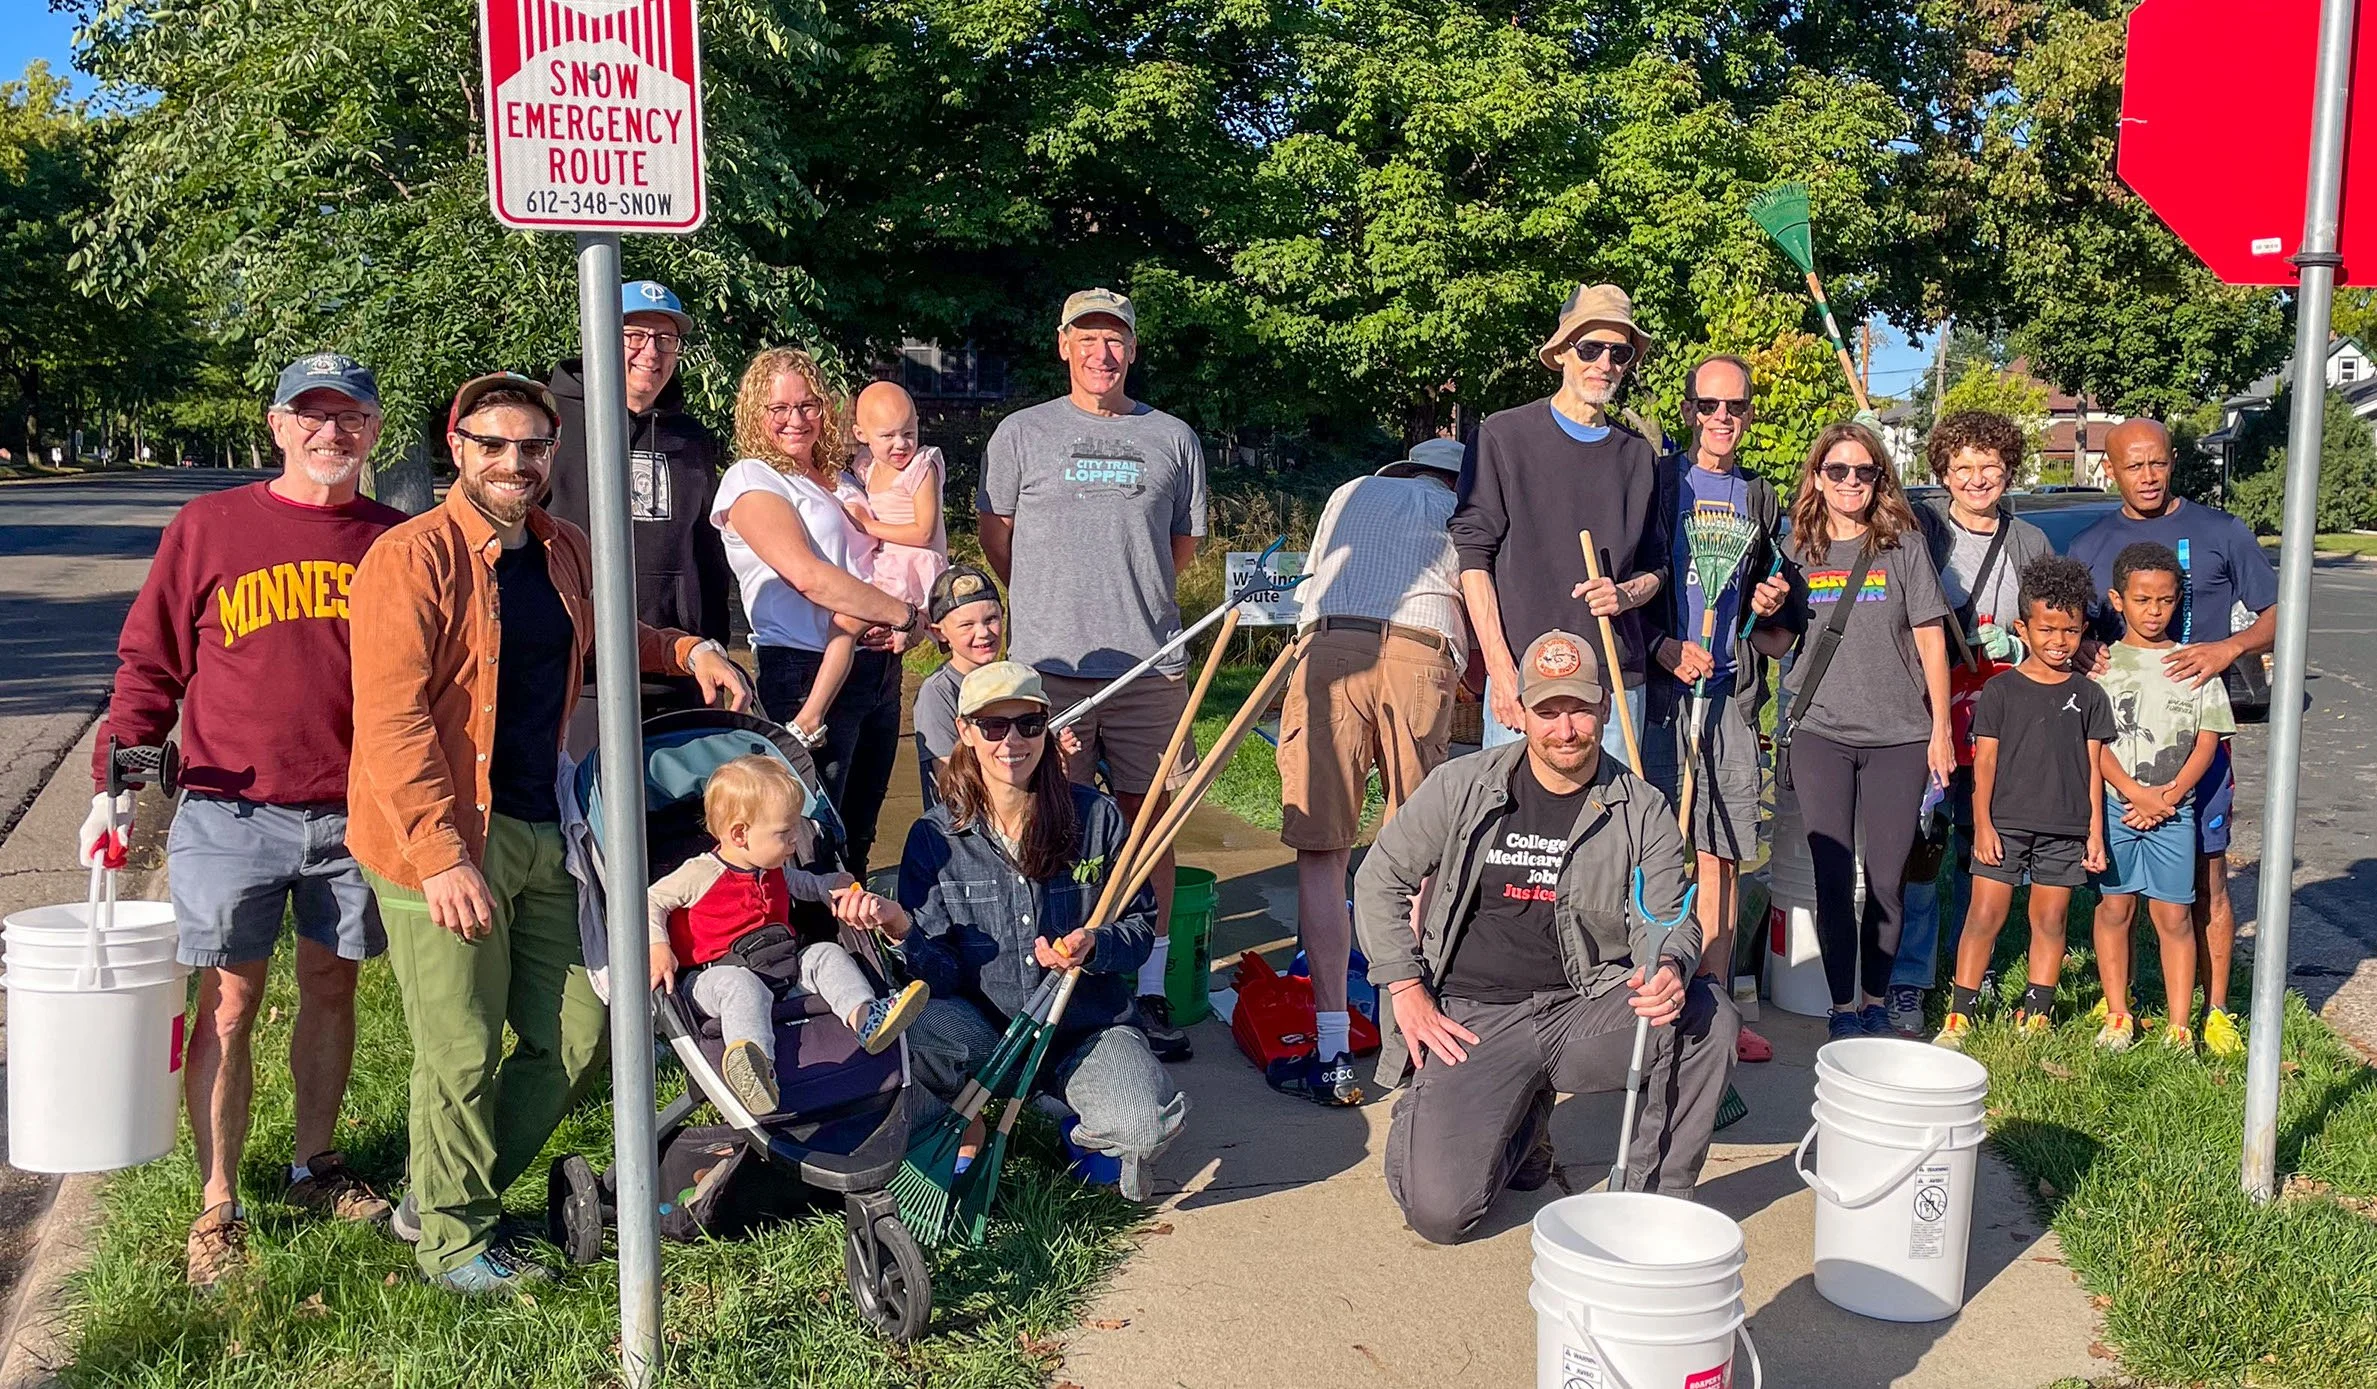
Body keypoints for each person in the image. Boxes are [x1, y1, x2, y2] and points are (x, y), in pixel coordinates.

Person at [346, 372, 752, 1294]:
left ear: (551, 455)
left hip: (539, 823)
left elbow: (613, 630)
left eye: (531, 447)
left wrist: (688, 650)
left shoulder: (562, 547)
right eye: (493, 445)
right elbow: (394, 721)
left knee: (581, 1027)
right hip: (437, 839)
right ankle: (451, 1243)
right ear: (459, 448)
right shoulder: (409, 559)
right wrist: (443, 855)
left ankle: (441, 1191)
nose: (513, 463)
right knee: (459, 1047)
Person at [85, 352, 404, 1288]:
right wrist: (121, 775)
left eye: (350, 418)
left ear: (375, 432)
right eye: (312, 416)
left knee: (333, 986)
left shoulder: (393, 538)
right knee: (228, 1001)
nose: (330, 434)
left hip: (355, 811)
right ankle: (218, 1199)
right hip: (231, 808)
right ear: (278, 425)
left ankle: (315, 1164)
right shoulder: (210, 525)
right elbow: (150, 662)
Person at [1356, 631, 1732, 1241]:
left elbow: (1667, 917)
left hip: (1585, 1008)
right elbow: (1379, 879)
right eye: (1548, 711)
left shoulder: (1642, 808)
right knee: (1441, 1215)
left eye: (1579, 708)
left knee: (1708, 1018)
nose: (1565, 729)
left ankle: (1650, 1207)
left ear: (1605, 707)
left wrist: (1667, 967)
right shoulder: (1462, 786)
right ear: (1520, 711)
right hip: (1475, 1018)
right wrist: (1404, 984)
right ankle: (1520, 1125)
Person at [976, 287, 1209, 1061]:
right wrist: (1052, 602)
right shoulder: (1022, 433)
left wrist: (1127, 596)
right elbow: (996, 536)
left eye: (1115, 340)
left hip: (1148, 666)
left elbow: (1180, 546)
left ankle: (1143, 987)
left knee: (1147, 828)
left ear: (1133, 350)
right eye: (1087, 338)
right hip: (1052, 671)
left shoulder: (1170, 436)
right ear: (1063, 345)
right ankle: (1047, 976)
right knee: (1055, 822)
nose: (1102, 354)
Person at [895, 662, 1189, 1201]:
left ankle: (1072, 1120)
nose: (1012, 741)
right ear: (965, 732)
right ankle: (967, 1124)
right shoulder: (935, 837)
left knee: (1141, 1126)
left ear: (1046, 728)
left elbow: (1141, 928)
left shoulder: (1096, 817)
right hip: (987, 1031)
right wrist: (903, 936)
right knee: (912, 1028)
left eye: (1029, 725)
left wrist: (1096, 944)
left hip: (1085, 1029)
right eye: (993, 726)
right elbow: (936, 973)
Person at [1274, 435, 1471, 1107]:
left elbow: (1313, 584)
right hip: (1421, 648)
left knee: (1321, 849)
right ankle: (1405, 1034)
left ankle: (1331, 1048)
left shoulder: (1350, 492)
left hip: (1328, 645)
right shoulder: (1462, 506)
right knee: (1414, 852)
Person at [2068, 418, 2275, 1058]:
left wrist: (2227, 649)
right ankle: (2120, 1011)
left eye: (2158, 463)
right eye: (2134, 466)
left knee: (2208, 878)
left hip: (2199, 741)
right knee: (2119, 897)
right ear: (2112, 469)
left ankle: (2213, 1014)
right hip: (2121, 746)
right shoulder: (2090, 544)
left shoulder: (2221, 531)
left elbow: (2280, 611)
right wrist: (2084, 654)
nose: (2149, 476)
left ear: (2172, 461)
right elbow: (2059, 630)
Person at [1640, 355, 1800, 1067]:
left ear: (1749, 414)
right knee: (1650, 850)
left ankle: (1714, 1007)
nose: (1721, 418)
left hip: (1732, 697)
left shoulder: (1759, 498)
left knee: (1722, 856)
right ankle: (1649, 992)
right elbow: (1629, 583)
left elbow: (1779, 612)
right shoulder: (1658, 485)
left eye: (1734, 405)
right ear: (1687, 410)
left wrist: (1773, 601)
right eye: (1708, 405)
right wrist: (1666, 645)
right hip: (1663, 693)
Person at [713, 348, 923, 879]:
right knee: (808, 835)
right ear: (753, 413)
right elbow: (808, 575)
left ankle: (858, 948)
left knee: (861, 831)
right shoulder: (752, 480)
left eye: (808, 405)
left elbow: (887, 556)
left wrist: (907, 627)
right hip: (804, 672)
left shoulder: (843, 479)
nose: (795, 419)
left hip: (877, 670)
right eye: (778, 407)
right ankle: (811, 952)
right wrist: (903, 614)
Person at [1778, 422, 1957, 1040]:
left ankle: (1877, 1000)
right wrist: (1763, 608)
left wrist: (1940, 731)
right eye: (1838, 471)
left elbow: (1932, 639)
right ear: (1818, 478)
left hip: (1900, 737)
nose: (1850, 482)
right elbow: (1778, 643)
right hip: (1820, 732)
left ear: (1880, 478)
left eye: (1864, 471)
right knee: (1832, 878)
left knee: (1886, 881)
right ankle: (1841, 1008)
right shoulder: (1797, 548)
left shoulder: (1902, 546)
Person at [1452, 282, 1665, 757]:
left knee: (1611, 825)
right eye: (1591, 348)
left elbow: (1658, 566)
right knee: (1512, 824)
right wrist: (1501, 671)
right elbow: (1473, 558)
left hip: (1612, 685)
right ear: (1563, 352)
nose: (1604, 364)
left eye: (1620, 353)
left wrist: (1625, 593)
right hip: (1527, 681)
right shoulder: (1503, 437)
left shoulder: (1637, 456)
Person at [646, 756, 929, 1114]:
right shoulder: (700, 873)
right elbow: (651, 899)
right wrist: (659, 944)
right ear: (739, 834)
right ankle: (754, 1068)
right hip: (712, 979)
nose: (796, 839)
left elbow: (808, 885)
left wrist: (833, 887)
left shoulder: (774, 868)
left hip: (782, 968)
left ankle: (865, 1017)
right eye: (785, 832)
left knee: (825, 953)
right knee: (740, 986)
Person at [1895, 410, 2054, 1035]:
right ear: (1943, 473)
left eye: (1989, 466)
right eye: (1962, 467)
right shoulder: (1923, 532)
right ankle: (1911, 978)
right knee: (1924, 851)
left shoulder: (2031, 543)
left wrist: (2021, 645)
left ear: (2009, 468)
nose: (1977, 478)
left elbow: (2053, 623)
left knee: (1983, 849)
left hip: (2002, 724)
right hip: (1932, 716)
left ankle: (1976, 968)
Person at [1936, 558, 2112, 1047]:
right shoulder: (2000, 690)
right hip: (2004, 825)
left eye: (2071, 631)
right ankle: (1960, 1013)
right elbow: (1985, 763)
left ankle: (2037, 1008)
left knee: (2051, 919)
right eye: (2047, 628)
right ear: (2023, 628)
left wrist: (2095, 832)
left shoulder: (2090, 696)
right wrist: (1984, 824)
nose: (2059, 641)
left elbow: (2094, 767)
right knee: (1984, 915)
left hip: (2066, 827)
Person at [544, 279, 732, 728]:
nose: (651, 352)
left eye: (666, 340)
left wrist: (713, 644)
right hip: (577, 674)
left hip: (680, 670)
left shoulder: (690, 439)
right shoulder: (550, 424)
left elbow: (708, 552)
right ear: (599, 336)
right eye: (634, 336)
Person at [2088, 542, 2235, 1052]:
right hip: (2114, 805)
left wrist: (2169, 796)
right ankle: (2117, 1014)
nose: (2155, 611)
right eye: (2143, 600)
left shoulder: (2194, 666)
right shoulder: (2100, 667)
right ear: (2118, 600)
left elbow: (2208, 740)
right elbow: (2094, 744)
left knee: (2173, 914)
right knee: (2115, 908)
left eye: (2166, 601)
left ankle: (2179, 1024)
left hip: (2175, 809)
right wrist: (2133, 792)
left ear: (2180, 601)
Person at [843, 380, 950, 610]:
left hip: (915, 570)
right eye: (887, 436)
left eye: (909, 432)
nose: (901, 444)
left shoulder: (920, 468)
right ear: (861, 434)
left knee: (855, 621)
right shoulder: (867, 467)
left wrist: (867, 525)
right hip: (885, 565)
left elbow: (924, 533)